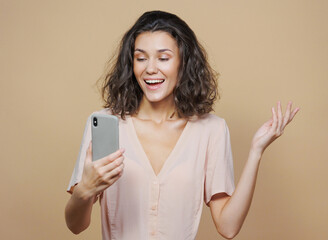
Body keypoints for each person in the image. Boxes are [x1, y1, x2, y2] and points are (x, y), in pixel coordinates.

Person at [65, 10, 299, 240]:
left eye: (163, 58)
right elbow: (75, 226)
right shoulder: (107, 125)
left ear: (183, 62)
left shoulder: (211, 130)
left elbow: (228, 227)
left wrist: (256, 152)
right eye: (141, 58)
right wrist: (85, 190)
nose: (150, 69)